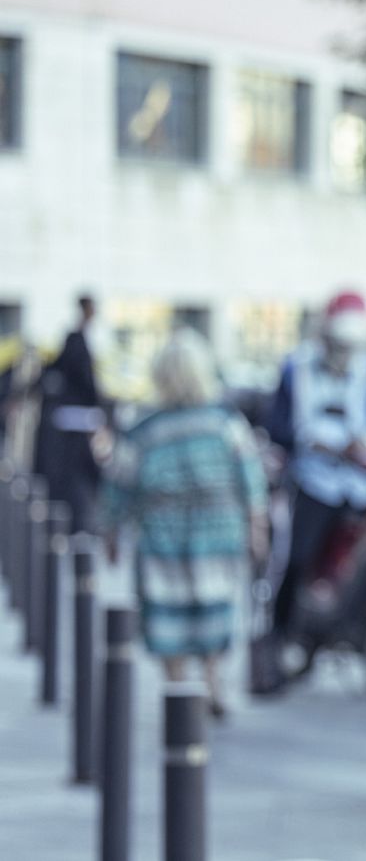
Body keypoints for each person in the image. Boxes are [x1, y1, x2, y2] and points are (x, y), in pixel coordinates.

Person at [101, 329, 268, 718]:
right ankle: (212, 683)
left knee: (166, 612)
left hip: (163, 534)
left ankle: (177, 689)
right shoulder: (225, 422)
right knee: (215, 607)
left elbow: (119, 485)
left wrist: (110, 529)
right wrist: (256, 527)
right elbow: (251, 478)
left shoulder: (143, 429)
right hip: (219, 529)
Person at [262, 291, 366, 668]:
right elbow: (279, 426)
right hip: (313, 479)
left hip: (359, 482)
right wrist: (314, 443)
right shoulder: (295, 368)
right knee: (297, 557)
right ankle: (277, 633)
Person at [34, 294, 103, 534]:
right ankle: (75, 522)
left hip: (77, 417)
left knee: (78, 474)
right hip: (76, 419)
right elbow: (80, 378)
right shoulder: (75, 338)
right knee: (77, 474)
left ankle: (77, 521)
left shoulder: (78, 338)